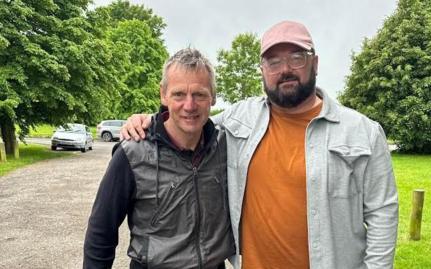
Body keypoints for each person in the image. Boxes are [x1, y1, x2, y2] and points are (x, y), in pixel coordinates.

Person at [121, 21, 398, 269]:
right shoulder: (240, 119)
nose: (285, 69)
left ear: (315, 63)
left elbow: (382, 213)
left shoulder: (362, 133)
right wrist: (153, 119)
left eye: (297, 57)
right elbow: (190, 119)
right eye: (274, 62)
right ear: (263, 71)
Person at [83, 48, 235, 269]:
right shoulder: (132, 153)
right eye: (179, 94)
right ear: (163, 95)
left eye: (200, 94)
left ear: (212, 97)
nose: (189, 105)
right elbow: (101, 232)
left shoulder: (226, 146)